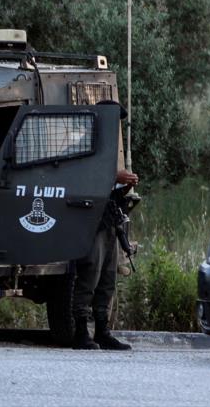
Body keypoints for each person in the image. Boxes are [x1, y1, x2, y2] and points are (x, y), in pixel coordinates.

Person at [72, 100, 139, 351]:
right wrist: (114, 177)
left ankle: (102, 330)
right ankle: (80, 330)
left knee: (108, 278)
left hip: (109, 217)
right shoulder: (84, 145)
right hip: (90, 220)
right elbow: (81, 176)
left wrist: (124, 185)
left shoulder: (109, 147)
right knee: (90, 274)